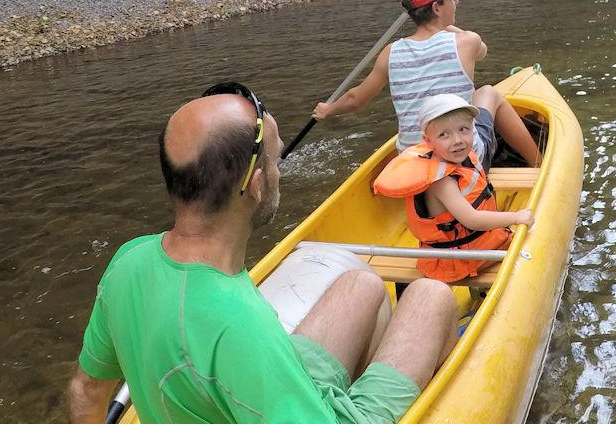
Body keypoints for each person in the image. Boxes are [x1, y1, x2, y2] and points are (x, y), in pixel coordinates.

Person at [66, 82, 457, 424]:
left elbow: (86, 391)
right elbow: (240, 342)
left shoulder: (129, 259)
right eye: (275, 160)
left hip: (274, 389)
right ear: (255, 186)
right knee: (431, 294)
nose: (279, 172)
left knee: (362, 284)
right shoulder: (239, 322)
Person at [313, 0, 541, 167]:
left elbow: (356, 99)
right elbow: (483, 51)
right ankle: (538, 163)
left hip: (412, 161)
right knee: (488, 92)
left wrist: (328, 110)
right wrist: (447, 27)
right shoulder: (467, 41)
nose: (457, 1)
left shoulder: (390, 52)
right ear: (436, 7)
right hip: (463, 159)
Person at [373, 94, 534, 283]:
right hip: (458, 261)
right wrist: (516, 217)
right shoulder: (442, 182)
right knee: (534, 240)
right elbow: (472, 220)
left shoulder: (459, 159)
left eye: (463, 129)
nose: (457, 140)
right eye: (444, 134)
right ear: (428, 141)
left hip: (468, 248)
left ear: (472, 130)